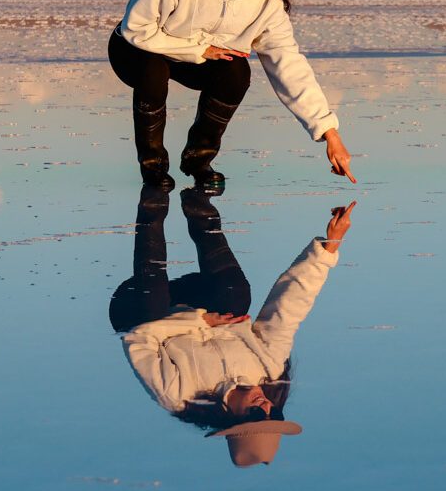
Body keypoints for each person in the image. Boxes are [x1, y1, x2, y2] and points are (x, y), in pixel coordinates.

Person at [108, 0, 355, 189]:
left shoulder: (267, 4)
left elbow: (289, 65)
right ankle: (153, 167)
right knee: (153, 71)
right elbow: (135, 29)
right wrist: (199, 50)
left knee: (235, 71)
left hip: (193, 58)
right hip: (133, 49)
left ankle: (198, 159)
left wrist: (329, 132)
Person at [112, 189, 355, 468]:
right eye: (273, 413)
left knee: (150, 309)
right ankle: (199, 198)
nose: (264, 405)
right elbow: (288, 310)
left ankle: (153, 200)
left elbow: (137, 338)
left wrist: (199, 323)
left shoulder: (180, 397)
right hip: (191, 294)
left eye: (255, 415)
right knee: (236, 298)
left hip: (137, 305)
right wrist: (328, 248)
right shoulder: (269, 372)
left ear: (232, 419)